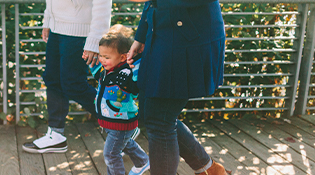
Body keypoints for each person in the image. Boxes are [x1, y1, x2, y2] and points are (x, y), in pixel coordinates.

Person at [126, 0, 227, 174]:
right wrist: (141, 36)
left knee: (160, 118)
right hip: (159, 35)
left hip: (190, 39)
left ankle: (209, 168)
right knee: (153, 113)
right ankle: (209, 169)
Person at [21, 0, 113, 153]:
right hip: (57, 29)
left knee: (74, 84)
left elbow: (103, 3)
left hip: (79, 33)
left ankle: (120, 124)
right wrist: (48, 20)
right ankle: (55, 135)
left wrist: (96, 39)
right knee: (53, 80)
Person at [89, 24, 150, 175]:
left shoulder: (127, 73)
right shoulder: (108, 69)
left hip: (121, 122)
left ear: (122, 57)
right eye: (101, 55)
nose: (102, 60)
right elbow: (97, 74)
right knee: (126, 143)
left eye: (106, 57)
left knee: (111, 154)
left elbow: (136, 87)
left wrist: (135, 65)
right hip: (111, 120)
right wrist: (89, 61)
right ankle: (143, 161)